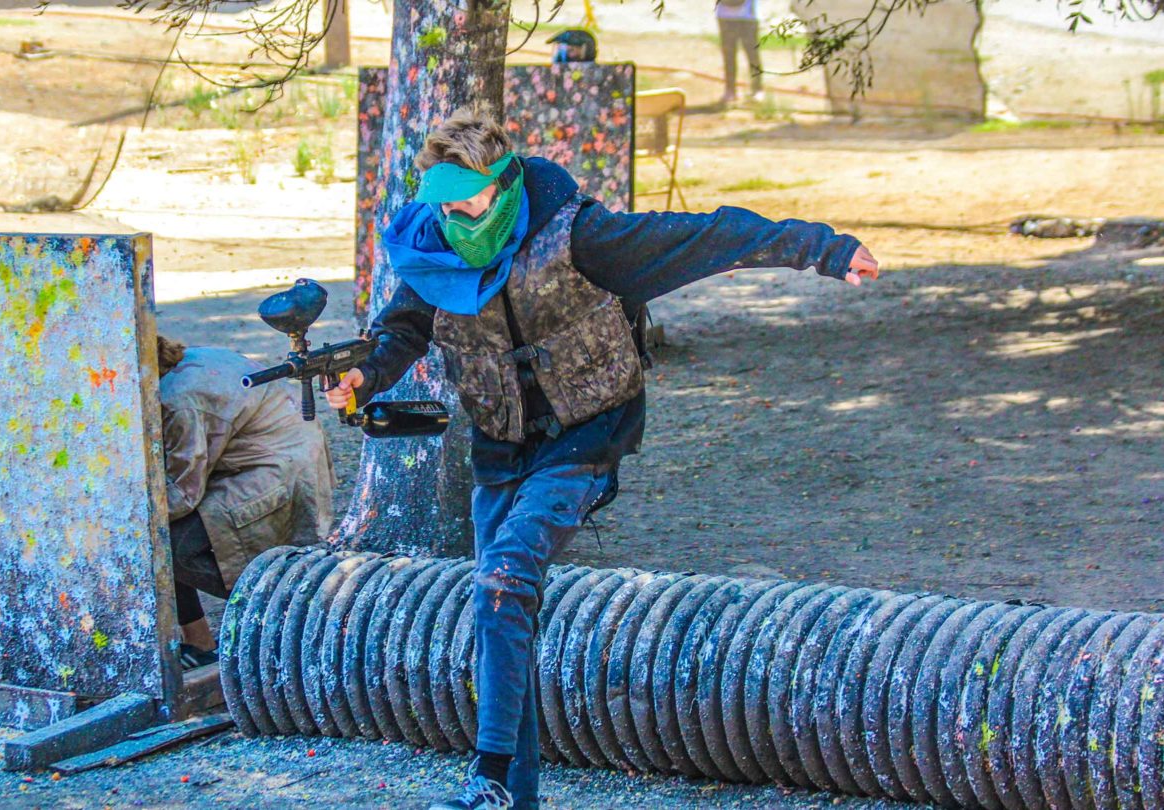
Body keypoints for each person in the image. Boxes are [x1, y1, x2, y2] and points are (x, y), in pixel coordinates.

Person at [324, 111, 878, 810]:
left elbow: (706, 235)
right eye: (446, 202)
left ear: (504, 184)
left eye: (472, 200)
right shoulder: (431, 245)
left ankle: (487, 780)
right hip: (499, 444)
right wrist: (364, 376)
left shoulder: (577, 233)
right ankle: (511, 798)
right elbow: (403, 329)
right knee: (500, 607)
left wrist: (825, 249)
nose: (459, 216)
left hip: (588, 432)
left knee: (504, 574)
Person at [157, 336, 334, 668]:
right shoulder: (191, 357)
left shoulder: (177, 399)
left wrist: (123, 518)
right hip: (293, 458)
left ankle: (287, 610)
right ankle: (199, 643)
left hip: (276, 474)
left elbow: (182, 494)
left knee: (162, 543)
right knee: (166, 535)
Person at [716, 0, 764, 105]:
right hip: (725, 14)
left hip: (748, 14)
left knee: (752, 53)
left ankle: (757, 89)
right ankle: (730, 90)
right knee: (728, 53)